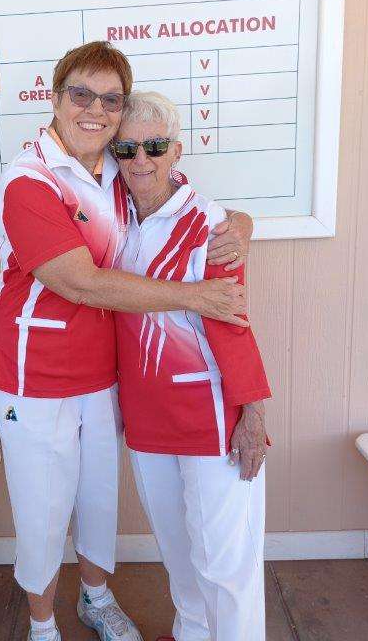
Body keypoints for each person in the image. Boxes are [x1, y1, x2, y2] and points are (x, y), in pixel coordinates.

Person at [0, 42, 253, 641]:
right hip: (35, 374)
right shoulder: (28, 181)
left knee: (100, 498)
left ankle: (96, 598)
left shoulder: (115, 166)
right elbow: (80, 282)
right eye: (80, 94)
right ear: (54, 99)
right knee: (43, 506)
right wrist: (193, 297)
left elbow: (191, 202)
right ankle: (41, 622)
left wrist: (240, 227)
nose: (95, 110)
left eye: (110, 99)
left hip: (102, 374)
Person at [112, 91, 271, 641]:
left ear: (176, 151)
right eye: (126, 147)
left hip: (210, 415)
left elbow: (232, 322)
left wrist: (251, 413)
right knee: (179, 559)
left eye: (154, 146)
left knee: (224, 568)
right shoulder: (111, 218)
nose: (141, 160)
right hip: (147, 417)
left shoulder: (211, 225)